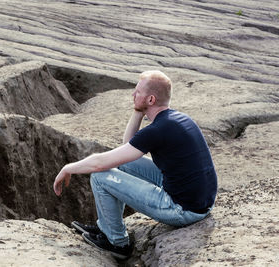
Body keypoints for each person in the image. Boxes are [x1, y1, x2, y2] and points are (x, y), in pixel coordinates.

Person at [53, 70, 217, 260]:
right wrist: (138, 112)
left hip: (183, 209)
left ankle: (117, 243)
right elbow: (126, 151)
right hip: (201, 201)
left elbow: (99, 164)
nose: (133, 95)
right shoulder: (177, 119)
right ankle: (106, 226)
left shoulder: (156, 131)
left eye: (137, 92)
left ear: (151, 99)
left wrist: (67, 168)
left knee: (99, 176)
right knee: (121, 164)